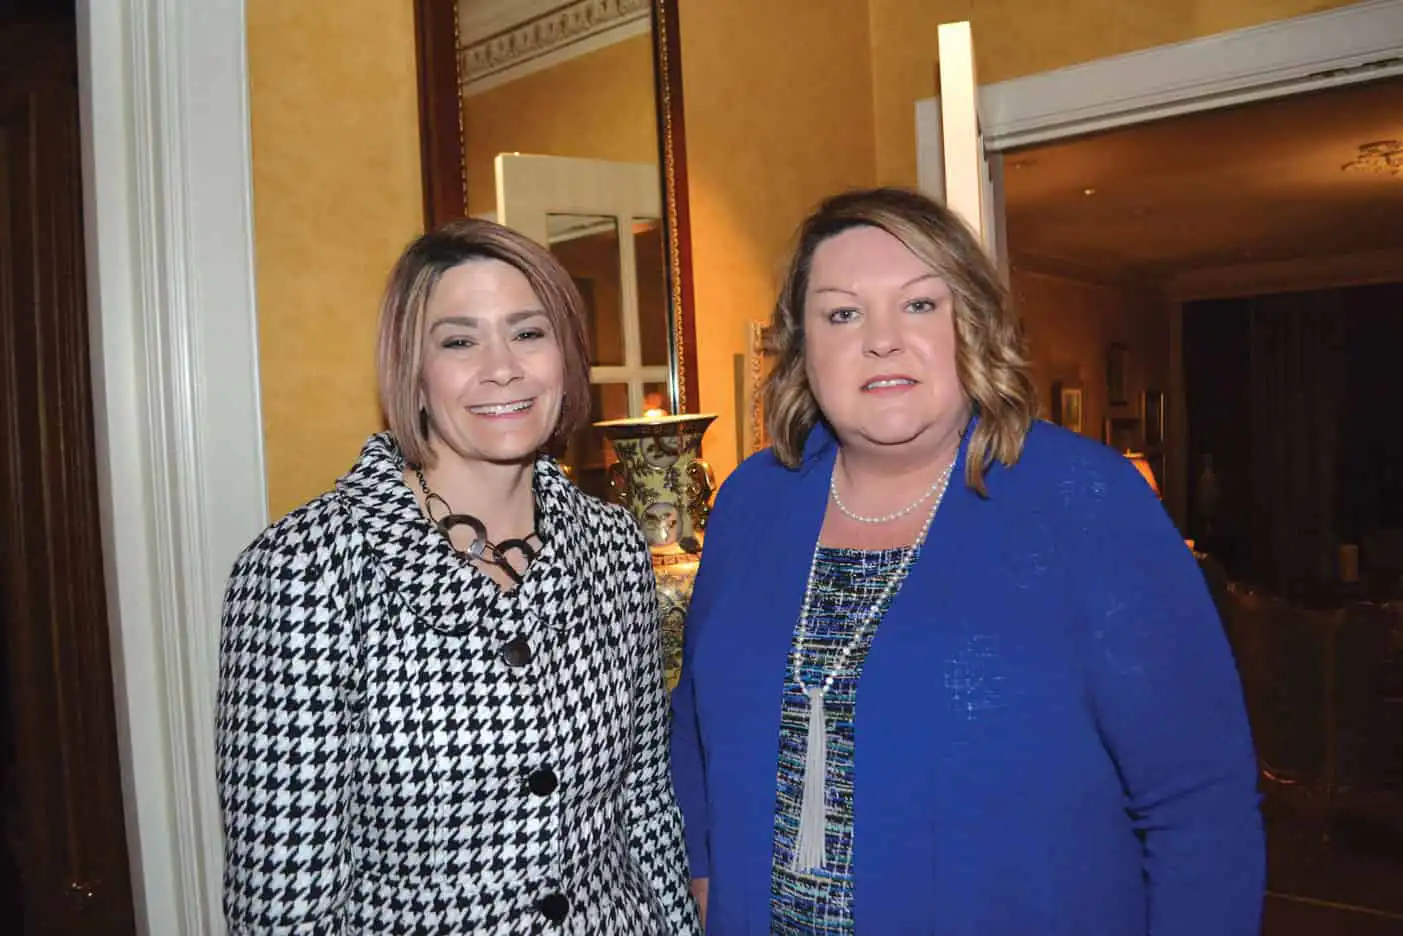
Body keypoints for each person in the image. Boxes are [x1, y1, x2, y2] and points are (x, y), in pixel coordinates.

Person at [670, 187, 1263, 934]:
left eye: (920, 304)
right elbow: (694, 719)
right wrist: (704, 873)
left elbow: (1199, 804)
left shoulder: (1084, 501)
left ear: (972, 324)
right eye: (842, 313)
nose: (881, 340)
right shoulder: (751, 503)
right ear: (801, 345)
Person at [217, 218, 701, 934]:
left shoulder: (612, 545)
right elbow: (284, 902)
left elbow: (645, 803)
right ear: (412, 371)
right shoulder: (305, 570)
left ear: (566, 355)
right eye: (459, 341)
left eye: (528, 332)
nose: (502, 367)